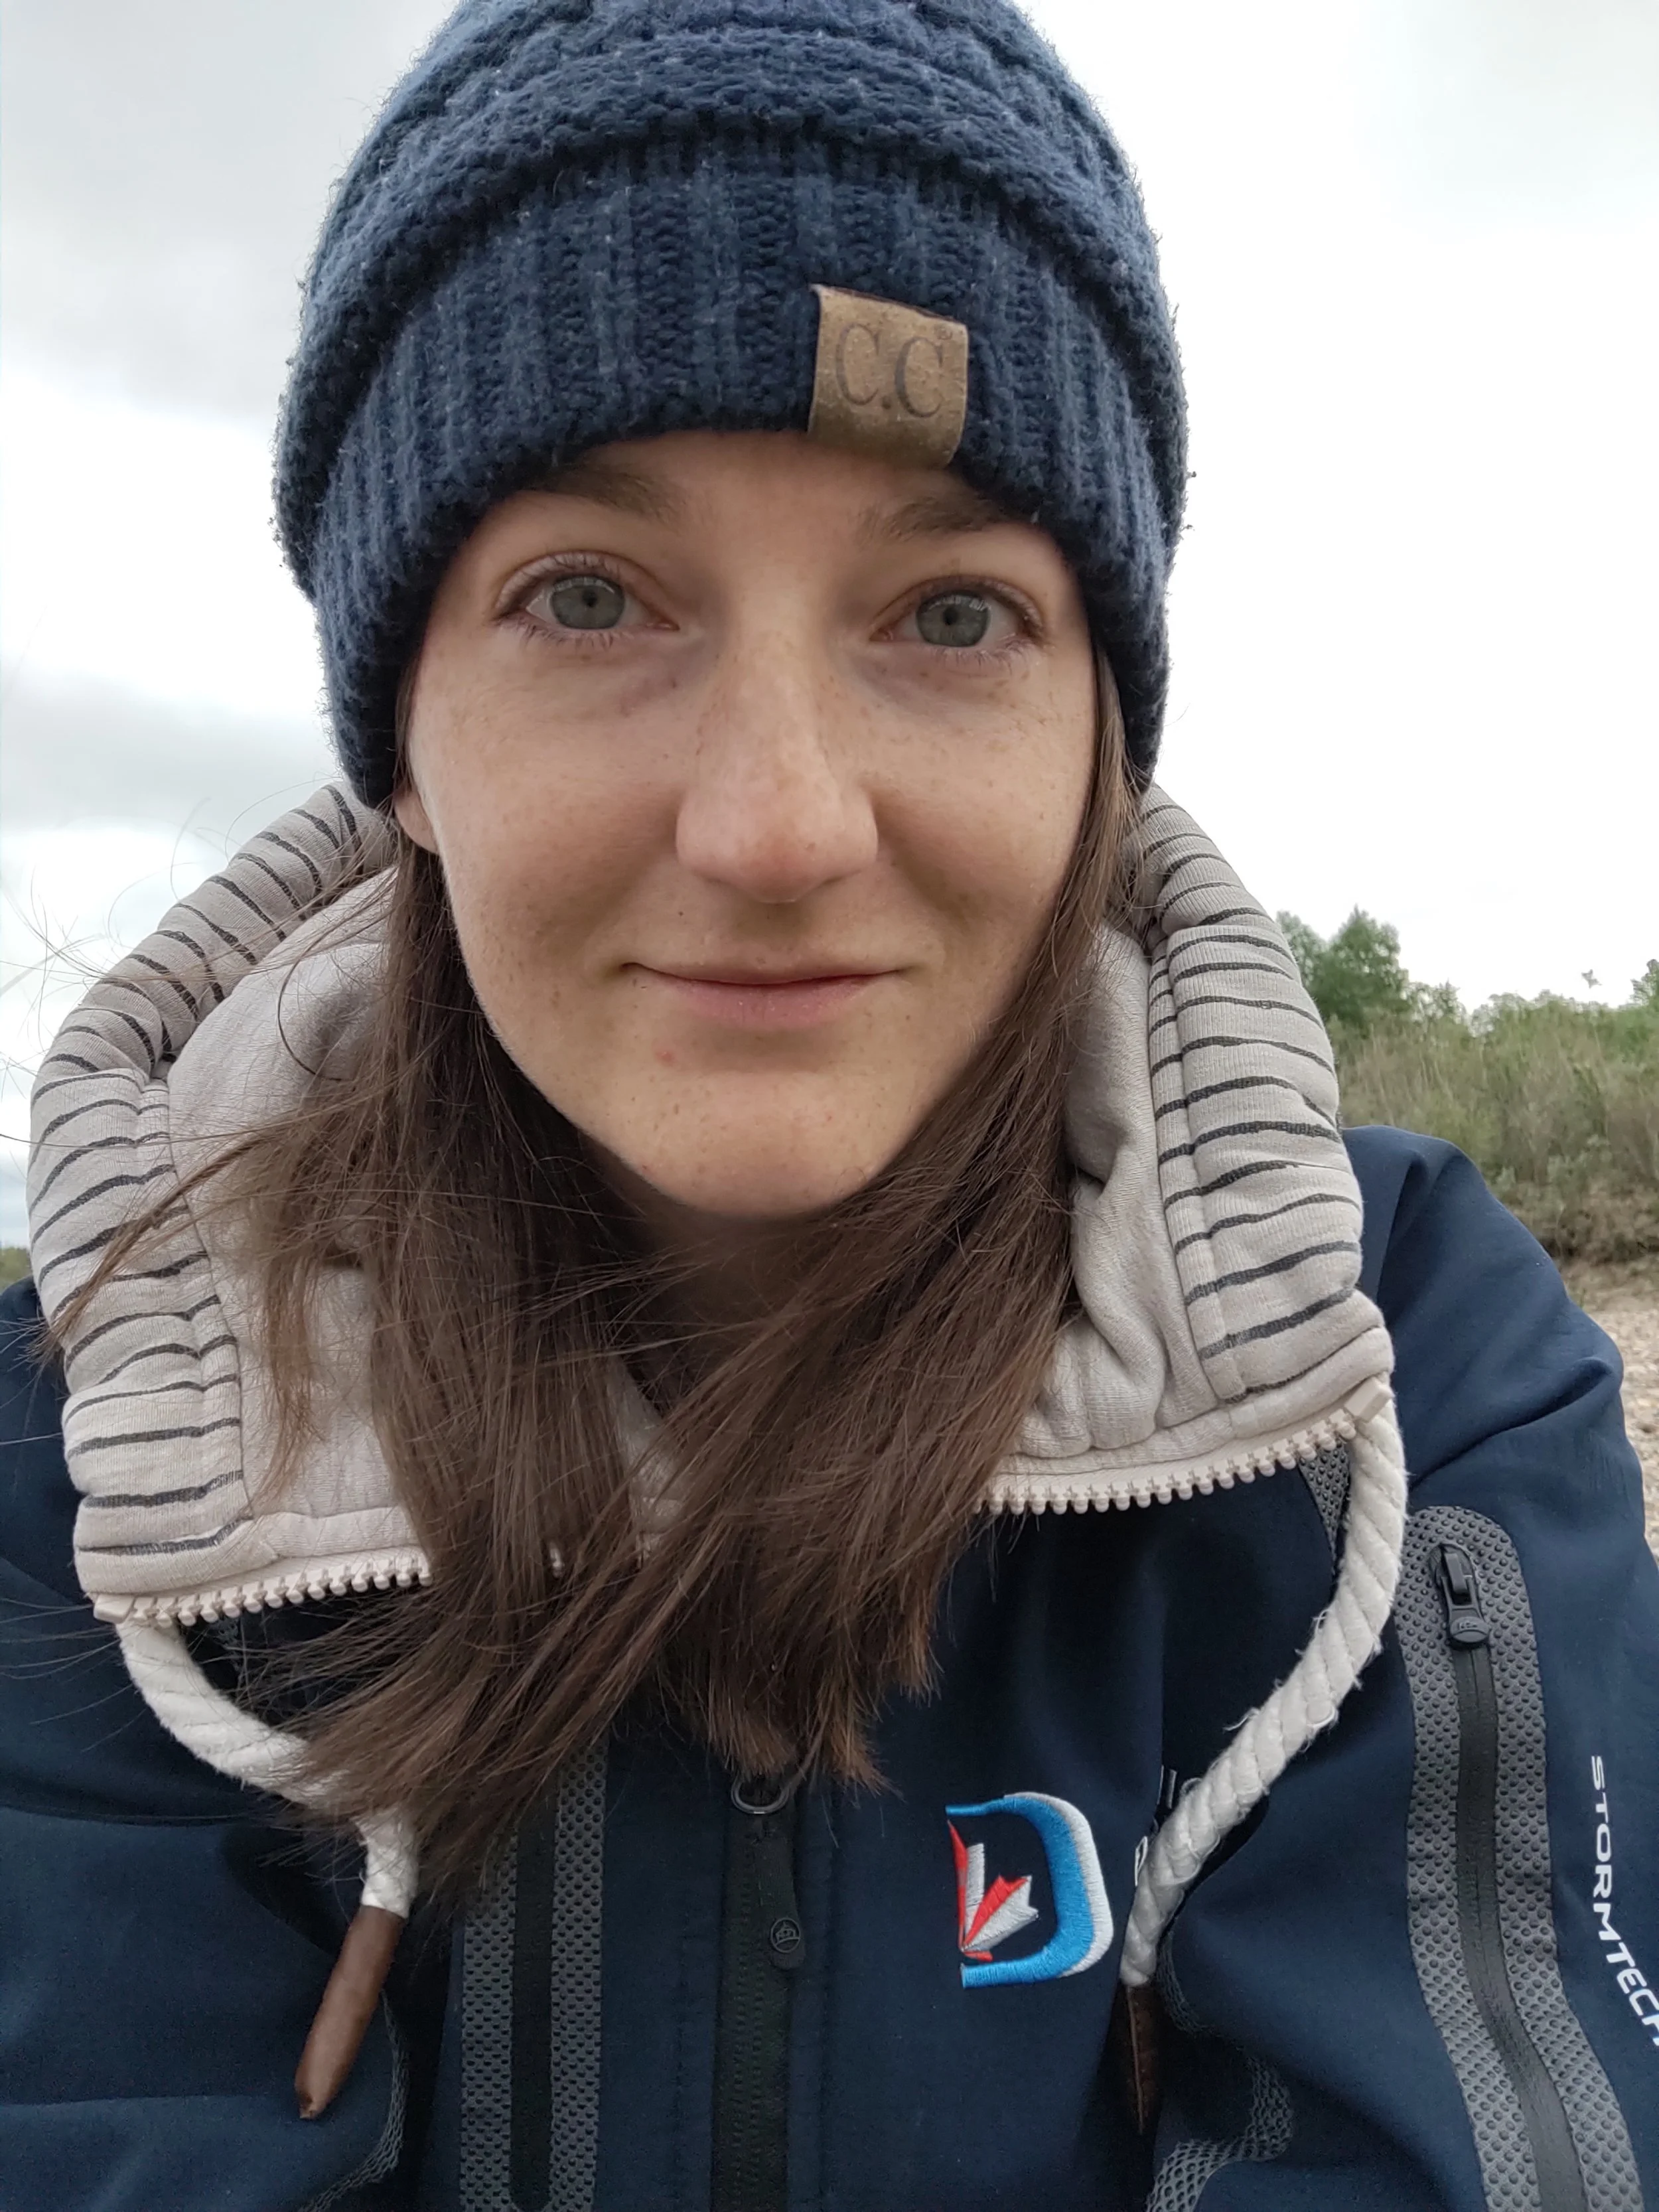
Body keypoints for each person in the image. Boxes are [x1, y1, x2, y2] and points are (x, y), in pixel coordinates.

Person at [3, 1, 1656, 2205]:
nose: (777, 824)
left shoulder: (1403, 1382)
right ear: (397, 742)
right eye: (587, 598)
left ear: (1103, 746)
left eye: (951, 612)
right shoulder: (93, 1462)